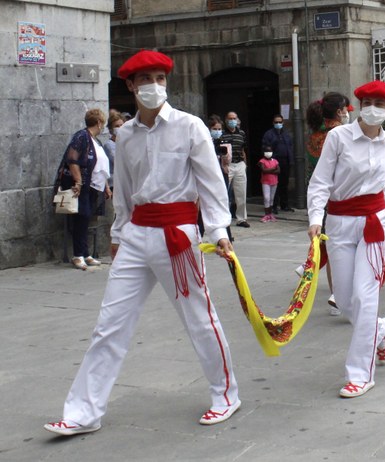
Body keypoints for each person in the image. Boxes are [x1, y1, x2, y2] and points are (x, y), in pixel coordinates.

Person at [44, 50, 240, 436]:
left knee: (200, 319)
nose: (155, 86)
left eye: (161, 78)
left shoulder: (190, 126)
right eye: (146, 79)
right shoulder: (126, 134)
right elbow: (127, 192)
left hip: (178, 234)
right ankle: (84, 410)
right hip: (136, 235)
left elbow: (212, 184)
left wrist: (219, 232)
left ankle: (225, 394)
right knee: (109, 324)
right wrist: (118, 236)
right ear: (131, 85)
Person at [306, 80, 385, 398]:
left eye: (380, 104)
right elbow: (320, 181)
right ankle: (379, 331)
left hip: (375, 223)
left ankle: (360, 373)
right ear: (358, 106)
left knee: (365, 294)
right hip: (341, 222)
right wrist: (316, 219)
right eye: (368, 102)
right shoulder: (338, 137)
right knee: (344, 300)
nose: (373, 109)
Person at [304, 92, 351, 314]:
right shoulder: (339, 133)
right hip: (340, 195)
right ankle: (339, 294)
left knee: (331, 247)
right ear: (339, 111)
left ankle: (337, 295)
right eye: (345, 108)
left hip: (320, 196)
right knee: (340, 247)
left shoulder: (315, 134)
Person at [54, 108, 107, 270]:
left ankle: (85, 253)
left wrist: (105, 187)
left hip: (91, 185)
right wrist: (78, 181)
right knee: (81, 217)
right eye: (102, 123)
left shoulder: (94, 140)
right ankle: (78, 255)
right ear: (99, 123)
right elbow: (72, 159)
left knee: (85, 218)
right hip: (81, 185)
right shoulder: (81, 136)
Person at [205, 115, 234, 243]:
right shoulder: (206, 142)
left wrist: (224, 155)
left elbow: (228, 161)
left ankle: (226, 234)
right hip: (209, 175)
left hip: (222, 173)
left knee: (224, 202)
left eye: (219, 129)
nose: (218, 131)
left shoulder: (224, 142)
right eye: (215, 129)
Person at [221, 111, 249, 227]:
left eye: (234, 118)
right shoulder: (222, 134)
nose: (232, 120)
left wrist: (245, 164)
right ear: (226, 120)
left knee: (241, 193)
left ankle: (241, 219)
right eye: (230, 118)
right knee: (224, 193)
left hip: (239, 164)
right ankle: (224, 218)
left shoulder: (241, 133)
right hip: (227, 165)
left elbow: (243, 149)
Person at [262, 114, 294, 212]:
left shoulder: (286, 134)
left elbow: (290, 147)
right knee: (274, 183)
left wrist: (291, 160)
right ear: (273, 123)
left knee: (284, 184)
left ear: (283, 122)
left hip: (285, 161)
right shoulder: (269, 134)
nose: (278, 124)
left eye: (280, 122)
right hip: (274, 162)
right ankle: (274, 206)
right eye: (276, 122)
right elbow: (265, 147)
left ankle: (284, 205)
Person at [258, 146, 280, 222]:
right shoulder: (262, 161)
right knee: (266, 198)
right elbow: (264, 170)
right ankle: (266, 214)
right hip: (265, 182)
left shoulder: (275, 161)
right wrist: (273, 169)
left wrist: (269, 170)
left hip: (274, 181)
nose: (268, 153)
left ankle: (270, 214)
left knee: (271, 199)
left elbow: (278, 171)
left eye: (270, 151)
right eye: (267, 151)